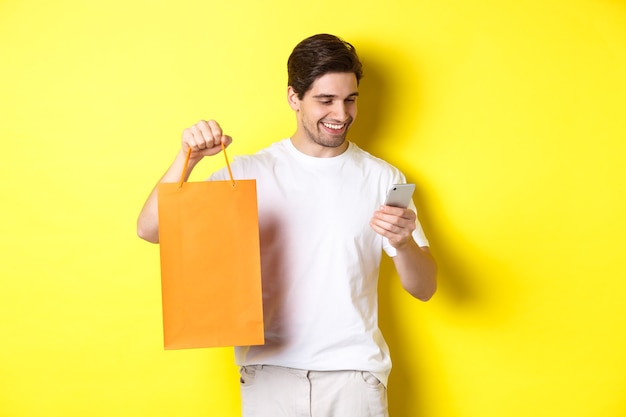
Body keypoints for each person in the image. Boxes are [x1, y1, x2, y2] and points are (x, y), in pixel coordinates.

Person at [137, 33, 437, 417]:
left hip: (354, 376)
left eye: (350, 100)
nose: (341, 115)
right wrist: (187, 159)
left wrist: (406, 243)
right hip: (268, 374)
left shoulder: (382, 178)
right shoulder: (248, 174)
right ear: (294, 98)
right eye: (325, 100)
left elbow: (425, 288)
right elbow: (151, 229)